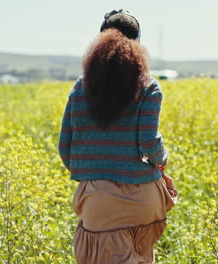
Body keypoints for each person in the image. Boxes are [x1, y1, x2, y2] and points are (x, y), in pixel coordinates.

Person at [58, 9, 177, 264]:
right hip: (145, 199)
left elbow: (64, 149)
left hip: (100, 202)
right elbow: (149, 143)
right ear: (138, 44)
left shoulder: (80, 87)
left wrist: (93, 171)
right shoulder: (148, 86)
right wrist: (162, 157)